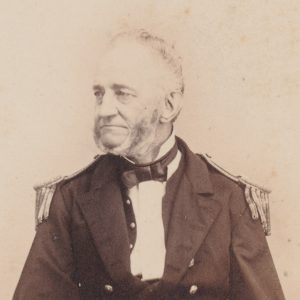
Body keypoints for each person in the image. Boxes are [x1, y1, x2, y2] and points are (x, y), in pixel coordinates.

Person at [13, 30, 285, 300]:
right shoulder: (69, 198)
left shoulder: (230, 198)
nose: (104, 109)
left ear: (169, 105)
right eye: (99, 94)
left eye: (123, 94)